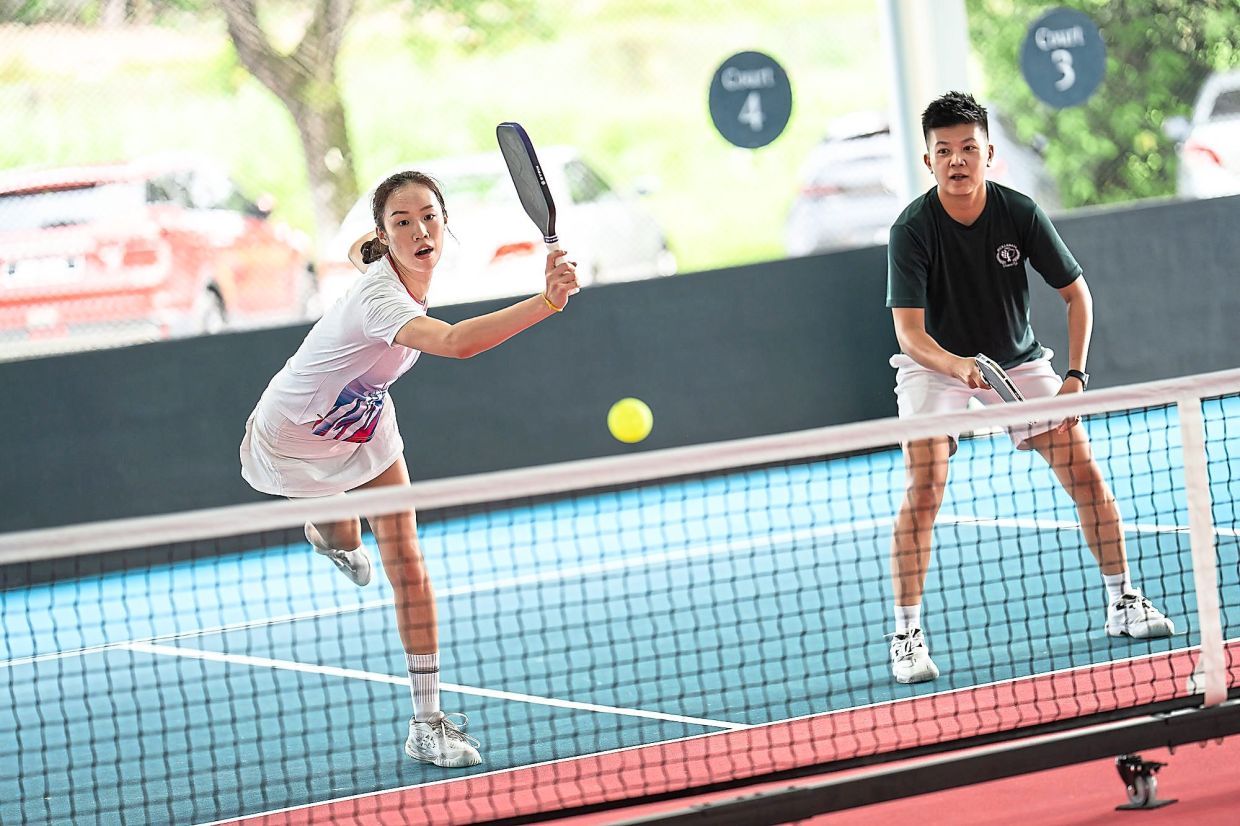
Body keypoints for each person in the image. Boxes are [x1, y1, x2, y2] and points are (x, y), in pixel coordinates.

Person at [240, 170, 579, 764]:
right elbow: (454, 343)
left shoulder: (398, 264)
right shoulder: (379, 297)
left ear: (446, 222)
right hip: (296, 433)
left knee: (407, 563)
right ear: (385, 233)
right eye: (402, 222)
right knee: (345, 533)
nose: (420, 230)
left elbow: (360, 253)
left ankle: (427, 723)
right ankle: (326, 532)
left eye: (429, 216)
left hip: (363, 415)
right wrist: (546, 302)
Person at [884, 92, 1173, 685]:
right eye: (945, 151)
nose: (957, 160)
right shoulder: (911, 230)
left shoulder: (1019, 213)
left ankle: (1123, 600)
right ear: (929, 161)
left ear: (989, 153)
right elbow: (909, 334)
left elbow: (1077, 296)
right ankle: (907, 635)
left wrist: (1074, 378)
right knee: (925, 484)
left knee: (1083, 470)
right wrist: (957, 365)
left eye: (968, 148)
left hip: (1016, 361)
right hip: (935, 363)